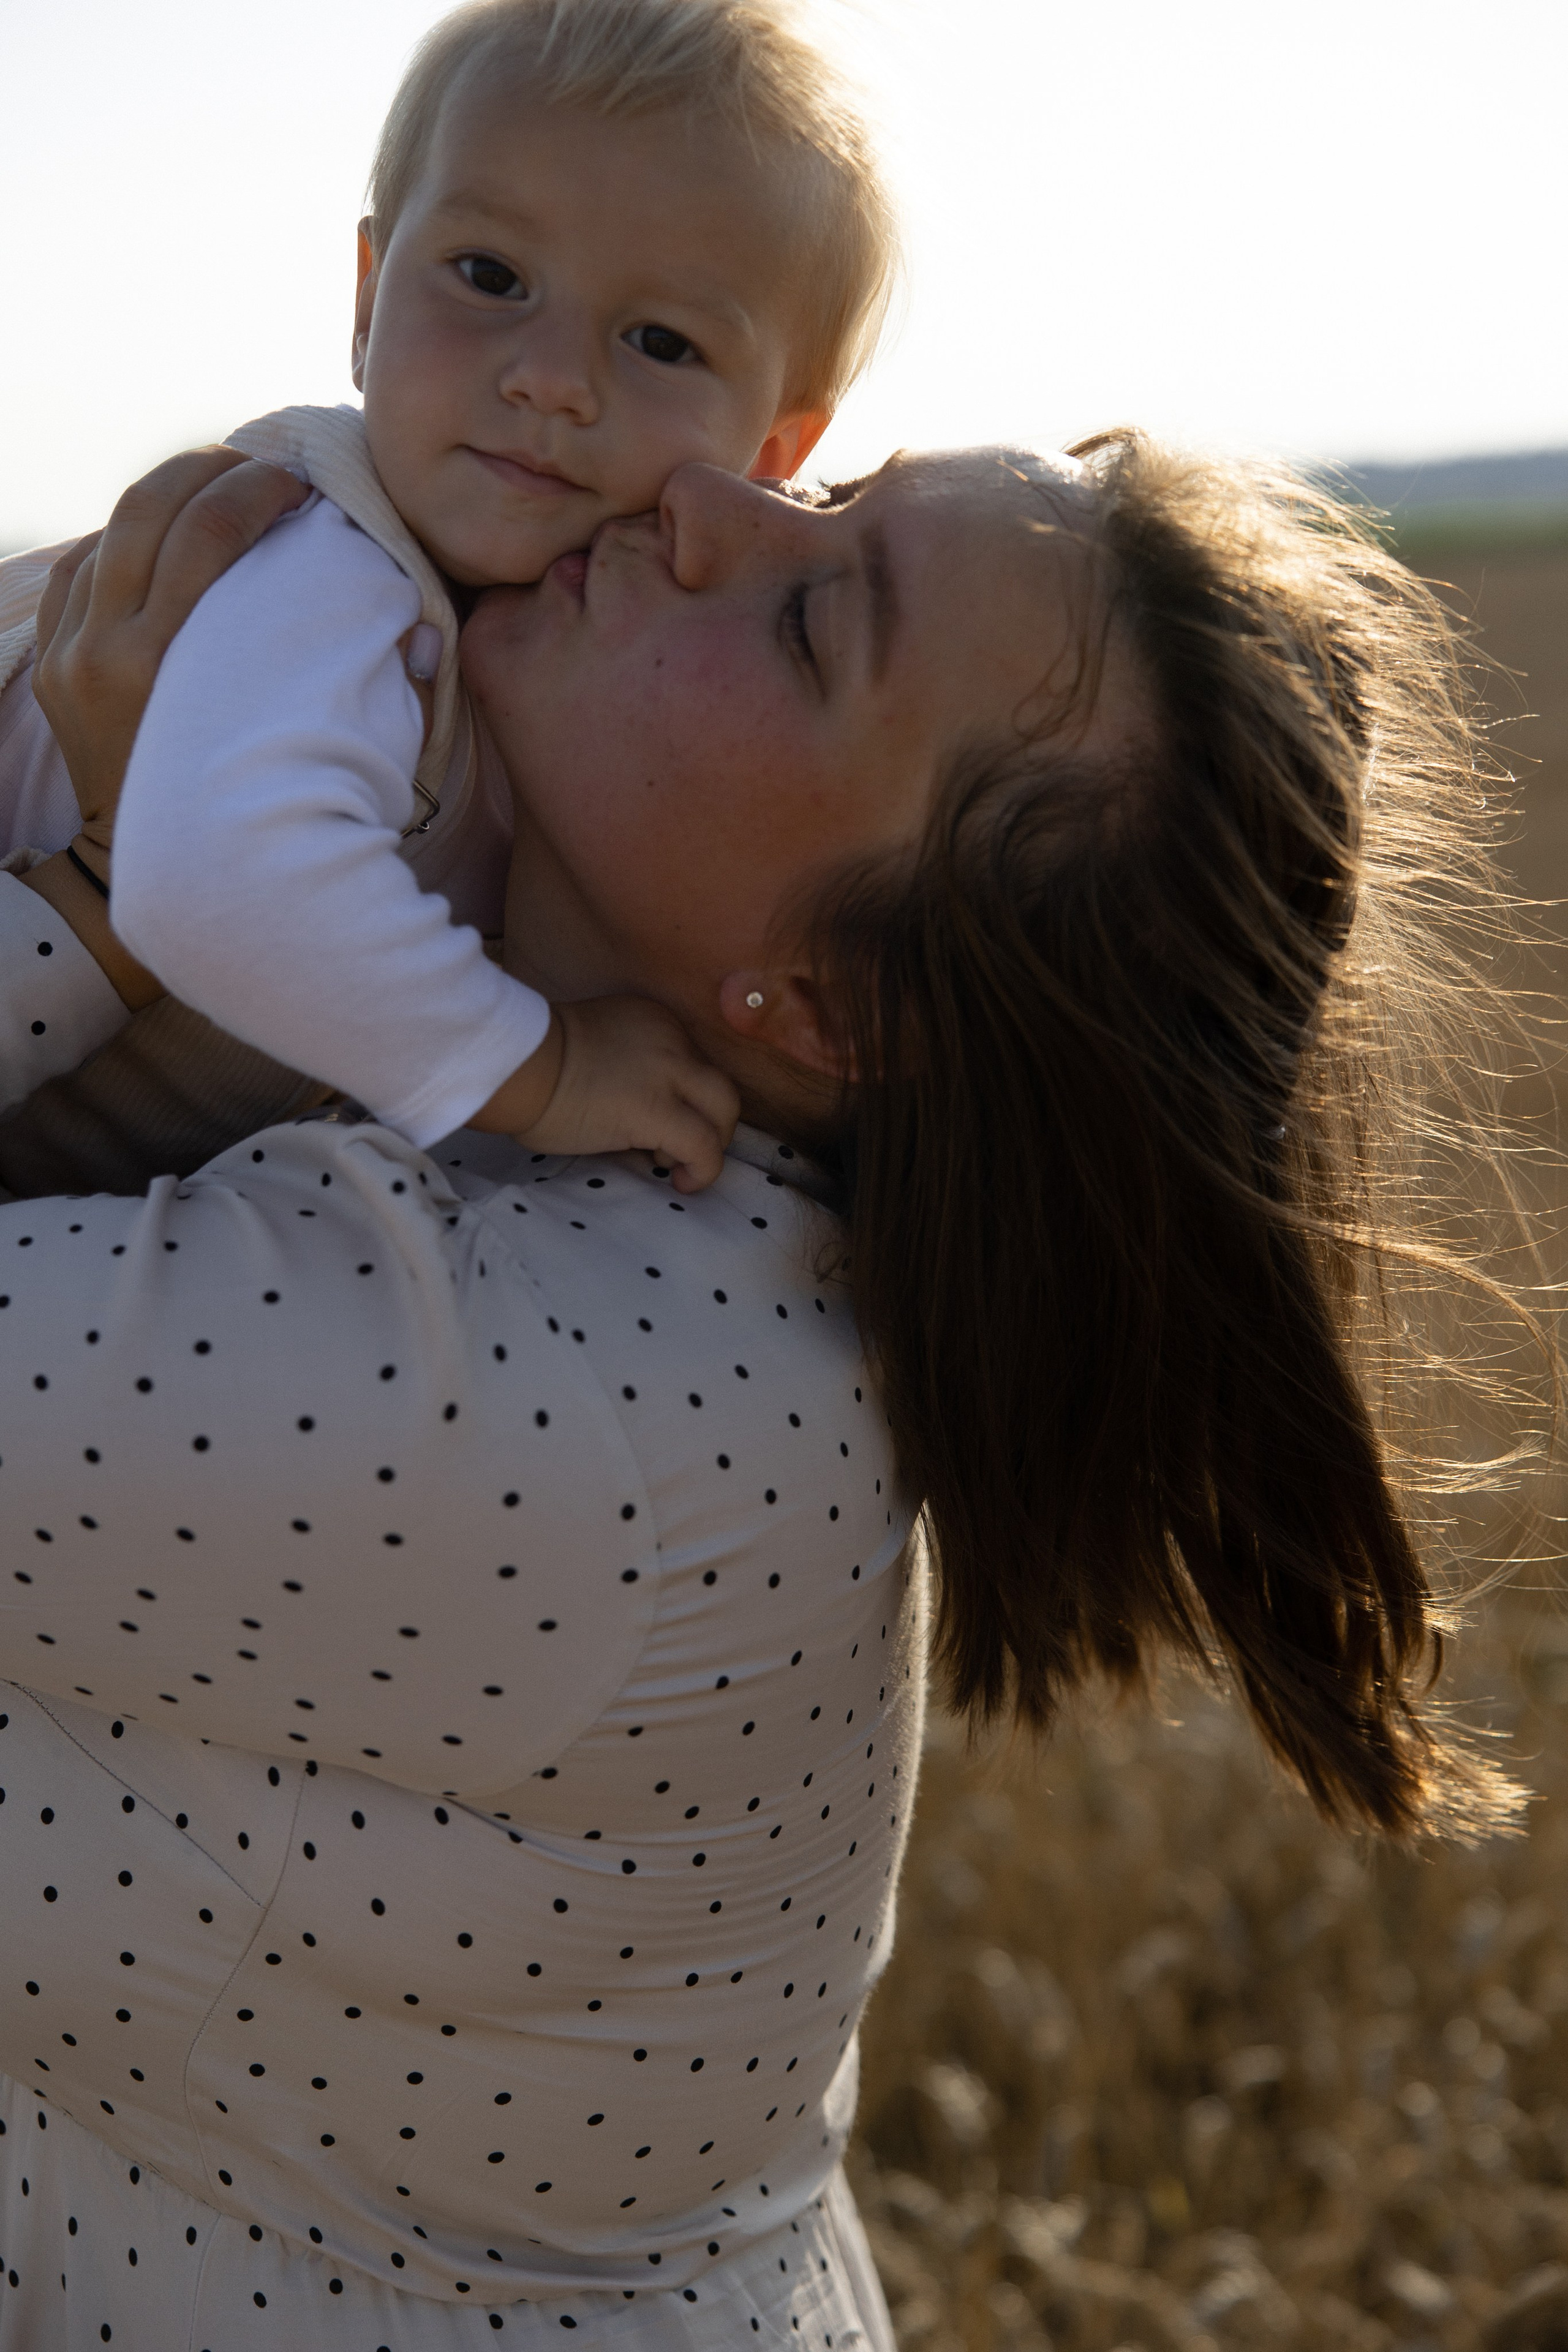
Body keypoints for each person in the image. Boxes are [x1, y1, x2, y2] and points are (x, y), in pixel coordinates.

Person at [0, 429, 1528, 2348]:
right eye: (838, 493)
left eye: (815, 616)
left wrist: (117, 883)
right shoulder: (549, 1111)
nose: (702, 495)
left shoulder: (563, 1413)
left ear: (823, 1009)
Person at [0, 0, 896, 1189]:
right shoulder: (325, 554)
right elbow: (213, 875)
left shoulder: (564, 693)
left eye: (660, 343)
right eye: (489, 275)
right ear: (368, 300)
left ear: (773, 456)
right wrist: (548, 1071)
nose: (548, 379)